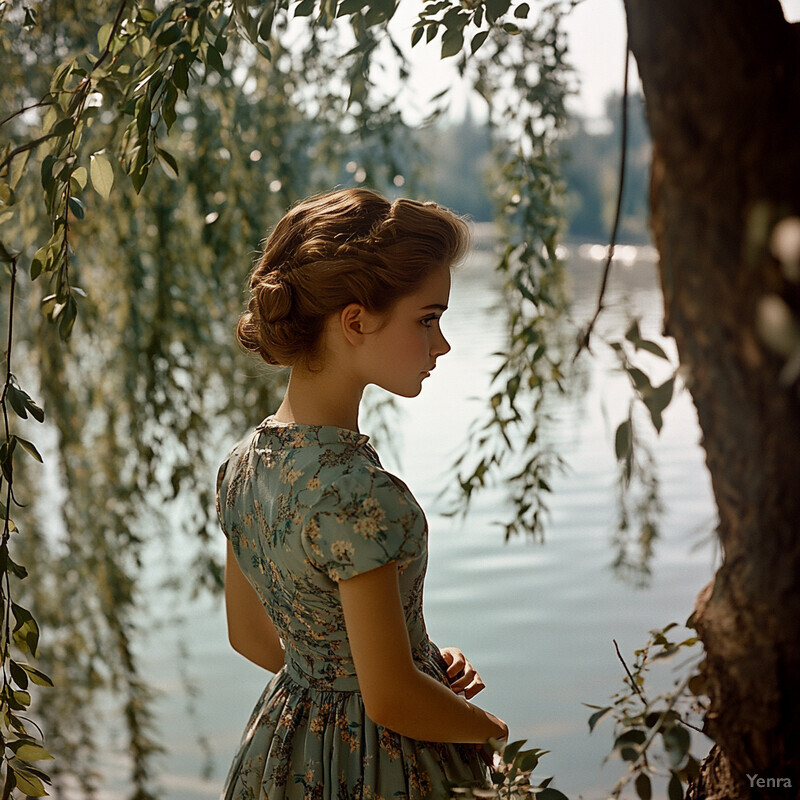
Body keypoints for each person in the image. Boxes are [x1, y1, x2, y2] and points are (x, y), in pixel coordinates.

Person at [215, 187, 509, 800]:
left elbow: (249, 636)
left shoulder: (243, 467)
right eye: (427, 318)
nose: (443, 342)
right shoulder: (359, 496)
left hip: (283, 751)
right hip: (381, 768)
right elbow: (392, 697)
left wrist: (417, 667)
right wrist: (488, 731)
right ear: (355, 321)